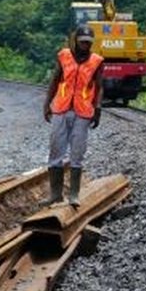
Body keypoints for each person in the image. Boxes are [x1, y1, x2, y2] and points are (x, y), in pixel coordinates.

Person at [43, 25, 105, 206]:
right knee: (56, 150)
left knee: (77, 152)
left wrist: (98, 109)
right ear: (76, 40)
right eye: (82, 41)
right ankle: (55, 194)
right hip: (61, 108)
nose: (85, 45)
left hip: (82, 112)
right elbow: (55, 80)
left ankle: (74, 195)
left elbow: (99, 87)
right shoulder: (64, 56)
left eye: (88, 42)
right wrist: (47, 104)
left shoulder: (96, 61)